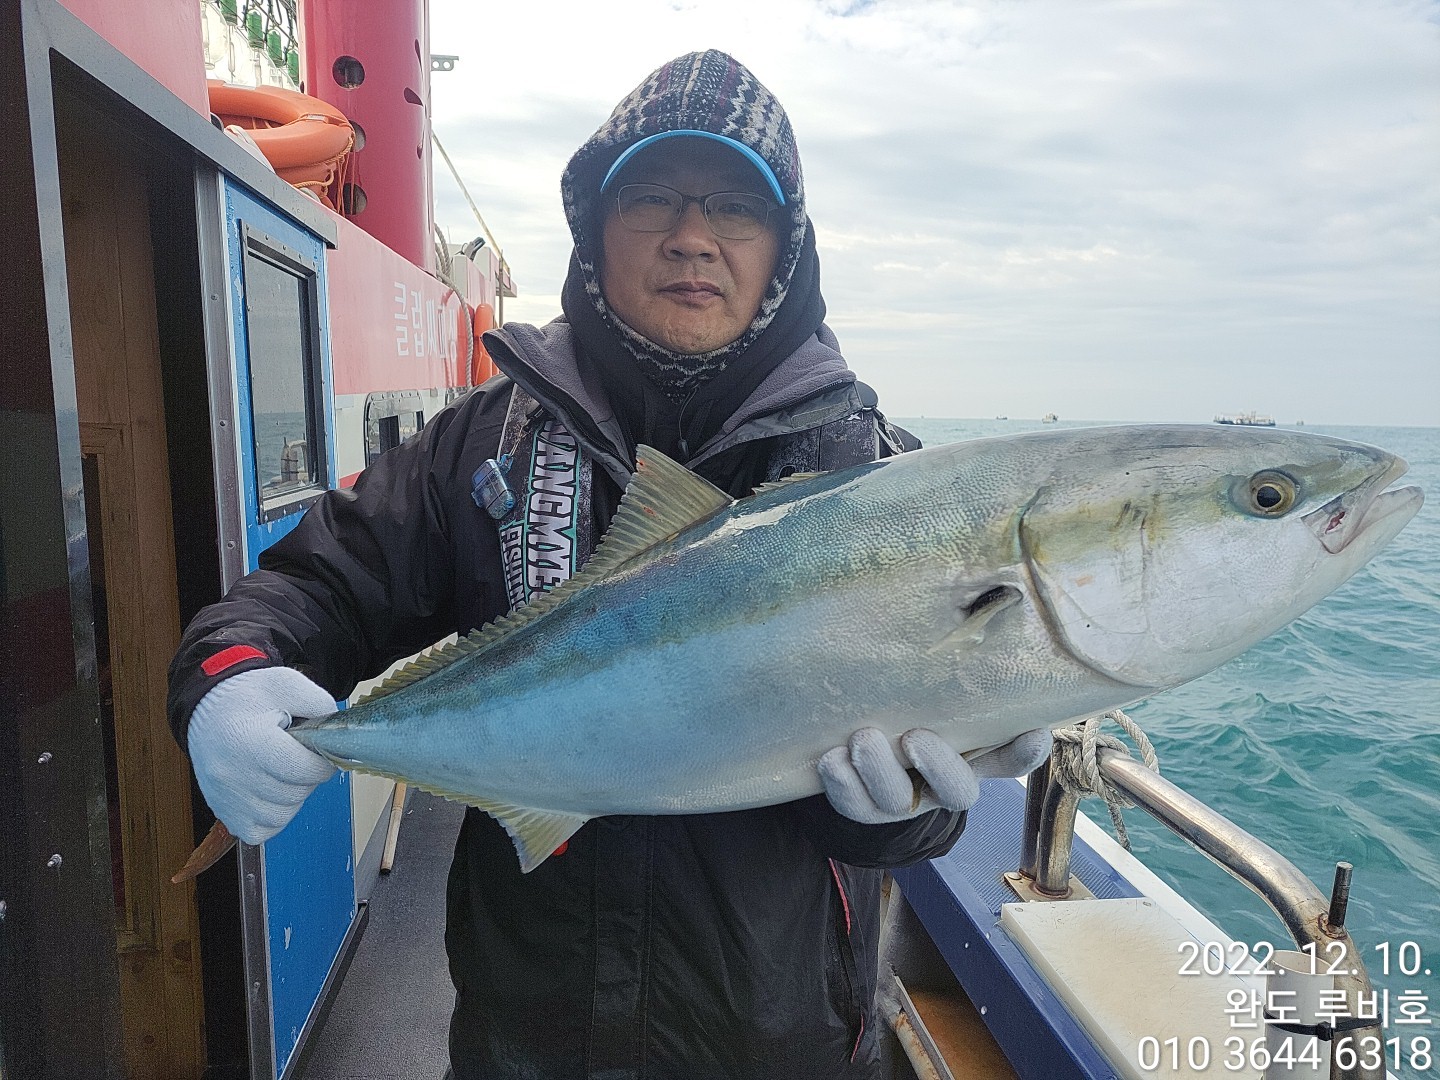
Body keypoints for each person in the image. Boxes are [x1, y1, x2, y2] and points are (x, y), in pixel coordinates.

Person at [169, 50, 1050, 1080]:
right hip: (525, 1036)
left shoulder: (870, 480)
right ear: (595, 227)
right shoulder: (485, 443)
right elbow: (315, 586)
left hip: (773, 1040)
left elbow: (912, 814)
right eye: (652, 199)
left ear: (786, 248)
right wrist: (226, 677)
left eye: (735, 206)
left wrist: (919, 811)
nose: (692, 237)